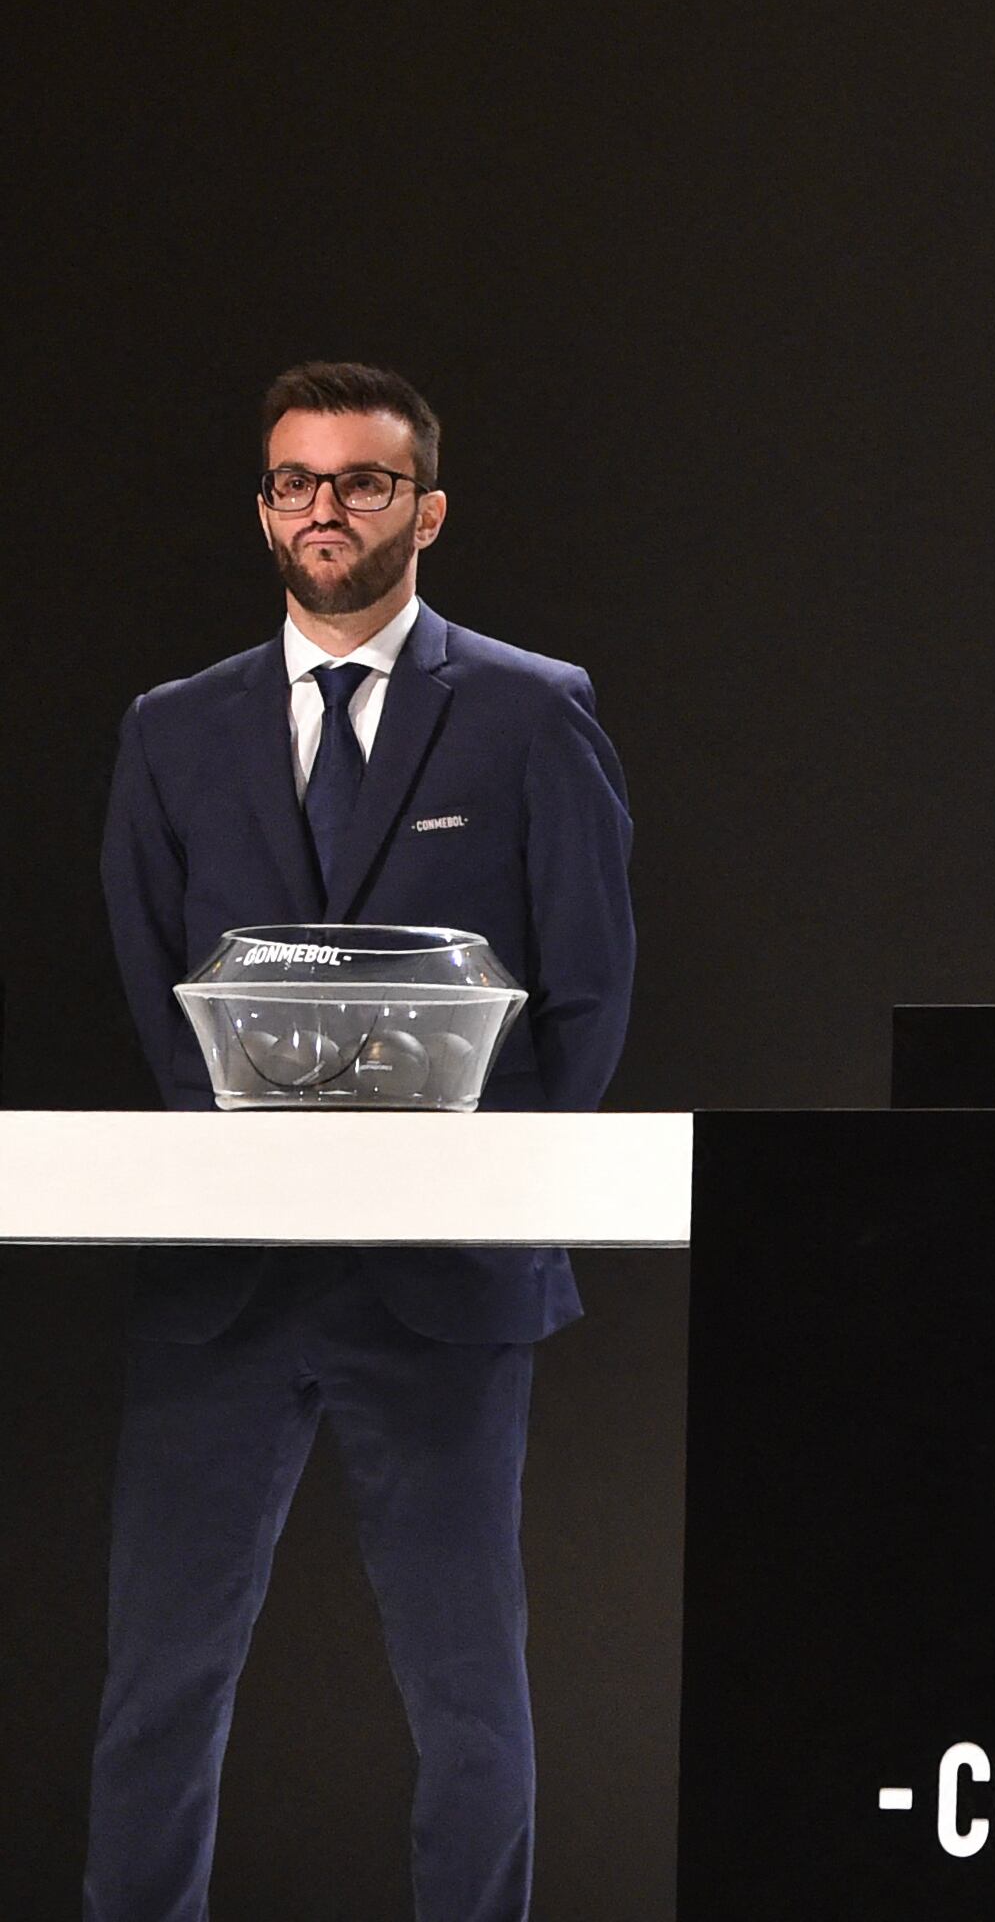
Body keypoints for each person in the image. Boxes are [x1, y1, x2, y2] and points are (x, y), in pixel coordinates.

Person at [93, 362, 635, 1922]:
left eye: (362, 481)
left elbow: (585, 996)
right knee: (158, 1694)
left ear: (430, 510)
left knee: (471, 1707)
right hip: (227, 1284)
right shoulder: (173, 729)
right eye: (294, 481)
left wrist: (482, 1184)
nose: (323, 509)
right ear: (267, 505)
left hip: (448, 1283)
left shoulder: (537, 712)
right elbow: (154, 986)